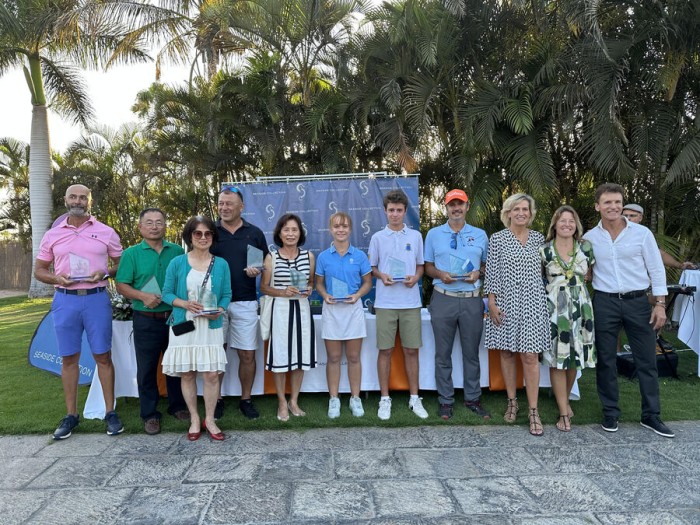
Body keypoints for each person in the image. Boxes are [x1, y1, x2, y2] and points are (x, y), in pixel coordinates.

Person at [583, 183, 674, 438]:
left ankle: (651, 416)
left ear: (622, 204)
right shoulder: (590, 237)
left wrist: (659, 304)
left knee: (646, 360)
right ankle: (610, 412)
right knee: (606, 360)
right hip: (604, 302)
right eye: (608, 202)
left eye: (617, 202)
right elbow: (585, 270)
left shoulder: (641, 233)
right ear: (598, 206)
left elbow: (656, 269)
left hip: (637, 302)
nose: (613, 207)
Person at [34, 184, 124, 439]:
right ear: (65, 200)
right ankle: (71, 415)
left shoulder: (105, 232)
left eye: (83, 197)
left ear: (89, 202)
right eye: (73, 196)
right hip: (66, 300)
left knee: (103, 357)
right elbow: (39, 270)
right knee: (69, 359)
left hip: (96, 299)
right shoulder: (52, 234)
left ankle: (110, 413)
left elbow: (121, 264)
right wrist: (57, 279)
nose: (78, 200)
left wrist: (105, 272)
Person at [115, 208, 189, 435]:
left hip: (175, 317)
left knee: (176, 364)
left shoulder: (177, 251)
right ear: (141, 227)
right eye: (149, 222)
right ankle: (149, 414)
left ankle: (177, 406)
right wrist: (143, 296)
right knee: (146, 368)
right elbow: (121, 285)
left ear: (166, 226)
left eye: (159, 222)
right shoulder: (131, 254)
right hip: (146, 319)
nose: (154, 226)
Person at [484, 193, 549, 436]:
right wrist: (491, 301)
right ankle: (512, 401)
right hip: (505, 302)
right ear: (508, 212)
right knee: (508, 352)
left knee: (530, 357)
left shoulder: (539, 239)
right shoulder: (498, 239)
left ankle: (534, 410)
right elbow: (491, 272)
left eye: (525, 209)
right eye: (516, 209)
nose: (521, 213)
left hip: (533, 302)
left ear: (530, 214)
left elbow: (550, 269)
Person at [161, 216, 232, 441]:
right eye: (197, 233)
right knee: (188, 373)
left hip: (210, 326)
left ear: (213, 236)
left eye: (207, 233)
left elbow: (227, 294)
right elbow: (166, 293)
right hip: (185, 324)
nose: (203, 237)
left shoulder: (221, 264)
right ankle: (194, 418)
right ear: (190, 236)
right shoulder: (177, 263)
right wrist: (185, 304)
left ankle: (209, 419)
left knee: (211, 374)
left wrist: (219, 309)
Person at [424, 189, 490, 421]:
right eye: (452, 204)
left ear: (467, 206)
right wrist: (440, 274)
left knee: (471, 353)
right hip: (443, 298)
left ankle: (473, 398)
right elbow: (428, 266)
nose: (456, 208)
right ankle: (445, 400)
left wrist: (477, 272)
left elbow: (486, 265)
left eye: (460, 204)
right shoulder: (433, 234)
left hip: (472, 300)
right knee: (443, 354)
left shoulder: (480, 234)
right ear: (446, 207)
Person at [210, 185, 269, 420]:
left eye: (229, 204)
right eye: (221, 203)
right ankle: (217, 399)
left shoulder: (254, 232)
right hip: (215, 303)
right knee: (217, 353)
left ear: (241, 207)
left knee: (247, 354)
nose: (224, 208)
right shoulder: (209, 232)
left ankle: (246, 399)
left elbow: (265, 263)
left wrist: (259, 271)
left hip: (245, 301)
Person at [368, 189, 428, 421]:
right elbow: (372, 268)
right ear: (385, 211)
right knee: (385, 350)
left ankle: (414, 397)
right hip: (385, 303)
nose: (395, 214)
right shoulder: (377, 238)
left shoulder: (415, 237)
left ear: (405, 212)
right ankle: (385, 398)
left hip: (411, 303)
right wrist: (381, 276)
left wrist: (416, 277)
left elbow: (421, 265)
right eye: (391, 210)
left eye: (399, 210)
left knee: (412, 350)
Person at [540, 205, 596, 432]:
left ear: (576, 225)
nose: (566, 224)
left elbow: (590, 275)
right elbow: (540, 279)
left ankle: (563, 399)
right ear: (555, 224)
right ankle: (564, 412)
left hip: (581, 306)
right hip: (554, 308)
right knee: (557, 358)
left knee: (575, 358)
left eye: (571, 221)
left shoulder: (586, 247)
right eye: (562, 220)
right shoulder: (544, 250)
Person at [315, 212, 373, 418]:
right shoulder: (323, 257)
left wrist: (357, 295)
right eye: (337, 226)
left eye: (345, 226)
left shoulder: (359, 256)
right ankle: (334, 399)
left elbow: (368, 282)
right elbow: (319, 283)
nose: (341, 230)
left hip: (353, 309)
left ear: (350, 229)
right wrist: (324, 295)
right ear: (331, 229)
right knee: (333, 357)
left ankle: (355, 398)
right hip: (331, 309)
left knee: (354, 357)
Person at [260, 213, 316, 421]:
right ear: (279, 233)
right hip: (280, 311)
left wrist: (308, 289)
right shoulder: (271, 257)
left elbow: (310, 282)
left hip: (302, 310)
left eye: (294, 229)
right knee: (280, 357)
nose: (290, 234)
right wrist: (283, 292)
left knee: (301, 358)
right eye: (286, 230)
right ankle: (282, 402)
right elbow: (264, 288)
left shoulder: (308, 256)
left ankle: (294, 401)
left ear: (300, 233)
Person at [622, 204, 696, 271]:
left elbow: (659, 254)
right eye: (625, 216)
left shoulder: (644, 235)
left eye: (632, 216)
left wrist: (680, 265)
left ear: (640, 217)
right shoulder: (613, 233)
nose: (628, 219)